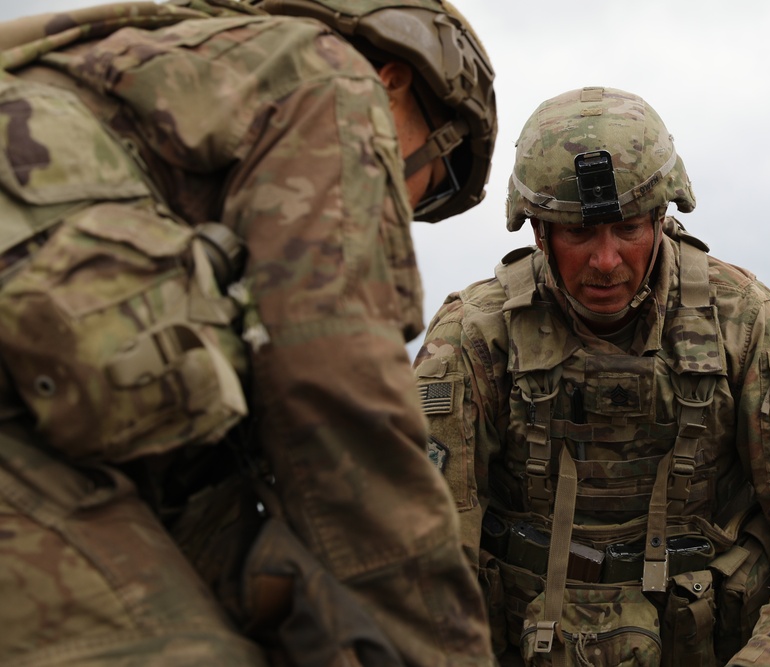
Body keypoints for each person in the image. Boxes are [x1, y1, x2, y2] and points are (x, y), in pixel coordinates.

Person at [0, 0, 496, 665]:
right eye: (434, 181)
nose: (407, 211)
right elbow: (335, 392)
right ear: (393, 81)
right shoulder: (331, 81)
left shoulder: (138, 85)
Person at [413, 86, 770, 666]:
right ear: (539, 231)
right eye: (579, 233)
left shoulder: (741, 321)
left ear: (662, 218)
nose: (606, 260)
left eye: (628, 228)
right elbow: (419, 552)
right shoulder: (476, 338)